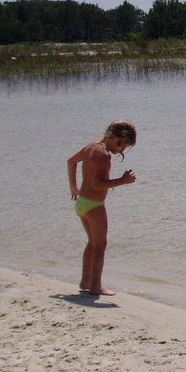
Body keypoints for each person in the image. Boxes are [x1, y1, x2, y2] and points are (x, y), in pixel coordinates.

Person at [67, 119, 137, 296]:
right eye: (121, 144)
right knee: (100, 245)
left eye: (126, 146)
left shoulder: (91, 147)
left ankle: (85, 281)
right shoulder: (103, 155)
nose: (122, 149)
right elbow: (97, 184)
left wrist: (73, 187)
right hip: (94, 206)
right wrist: (123, 180)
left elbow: (71, 161)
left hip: (82, 203)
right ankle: (96, 286)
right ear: (112, 136)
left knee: (92, 242)